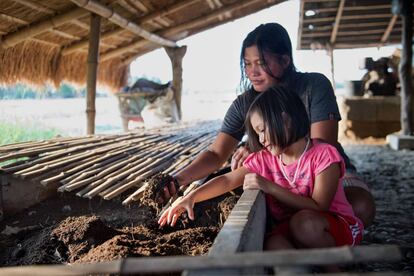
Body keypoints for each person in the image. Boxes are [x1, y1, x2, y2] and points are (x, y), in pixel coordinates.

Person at [158, 23, 375, 227]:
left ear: (285, 60)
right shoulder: (245, 103)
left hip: (320, 170)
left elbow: (322, 144)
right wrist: (178, 181)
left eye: (261, 63)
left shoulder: (313, 86)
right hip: (276, 171)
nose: (253, 72)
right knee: (295, 219)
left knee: (360, 207)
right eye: (248, 64)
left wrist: (255, 148)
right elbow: (216, 153)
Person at [159, 87, 363, 250]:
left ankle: (335, 269)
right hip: (293, 228)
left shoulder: (323, 155)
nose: (262, 140)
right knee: (273, 244)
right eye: (257, 134)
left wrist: (270, 187)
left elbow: (319, 207)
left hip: (333, 227)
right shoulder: (265, 160)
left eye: (263, 130)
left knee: (304, 224)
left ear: (285, 120)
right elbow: (227, 180)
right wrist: (191, 197)